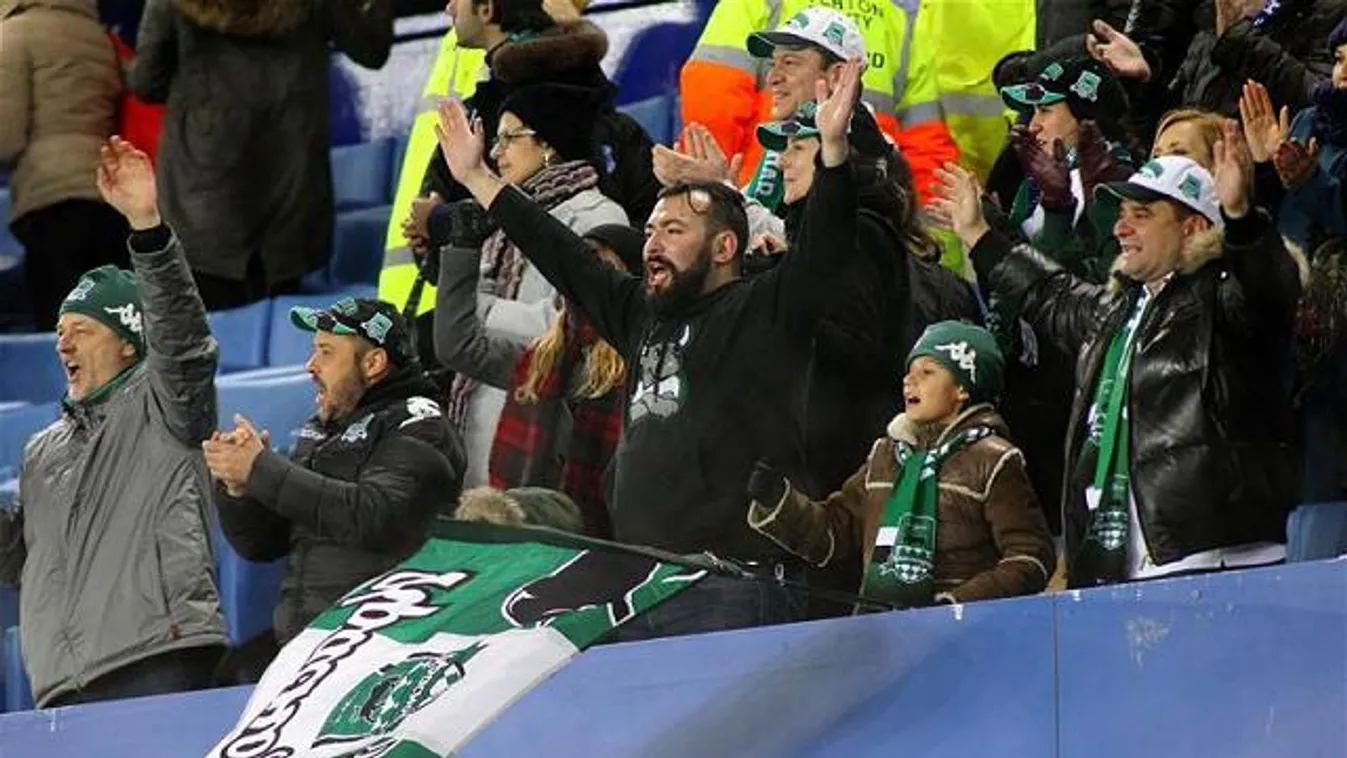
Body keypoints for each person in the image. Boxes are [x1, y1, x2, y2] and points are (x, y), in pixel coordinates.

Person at [432, 60, 876, 639]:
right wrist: (477, 179)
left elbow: (826, 251)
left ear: (724, 248)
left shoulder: (765, 308)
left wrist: (834, 154)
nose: (651, 246)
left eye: (673, 231)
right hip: (643, 581)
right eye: (649, 232)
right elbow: (562, 252)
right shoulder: (639, 314)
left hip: (737, 585)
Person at [932, 128, 1302, 587]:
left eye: (1141, 215)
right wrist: (978, 235)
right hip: (1128, 561)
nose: (1121, 228)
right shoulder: (1121, 310)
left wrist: (1241, 219)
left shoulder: (1225, 298)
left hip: (1218, 554)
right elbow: (1050, 294)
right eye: (1122, 215)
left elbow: (1269, 287)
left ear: (1193, 227)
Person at [0, 138, 226, 707]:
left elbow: (183, 341)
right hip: (58, 687)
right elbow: (19, 560)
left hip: (156, 660)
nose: (62, 342)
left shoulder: (166, 403)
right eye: (59, 331)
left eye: (82, 329)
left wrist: (147, 228)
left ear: (129, 341)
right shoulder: (41, 449)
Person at [207, 297, 465, 646]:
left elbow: (375, 515)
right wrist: (242, 489)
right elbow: (263, 545)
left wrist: (263, 469)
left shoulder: (419, 422)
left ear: (373, 363)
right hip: (308, 637)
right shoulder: (323, 428)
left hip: (380, 638)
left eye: (326, 352)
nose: (310, 366)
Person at [745, 321, 1055, 608]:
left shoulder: (995, 460)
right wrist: (778, 500)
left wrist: (956, 604)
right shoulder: (885, 456)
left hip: (965, 636)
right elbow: (831, 535)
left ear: (963, 388)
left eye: (927, 371)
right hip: (884, 635)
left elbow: (1031, 557)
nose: (909, 379)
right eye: (909, 371)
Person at [412, 83, 628, 490]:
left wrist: (477, 306)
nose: (496, 152)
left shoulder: (598, 215)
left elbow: (569, 326)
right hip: (481, 404)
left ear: (549, 144)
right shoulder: (502, 214)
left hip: (539, 425)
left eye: (510, 137)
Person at [129, 0, 393, 310]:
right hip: (290, 195)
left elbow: (146, 83)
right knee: (283, 322)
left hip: (200, 198)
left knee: (206, 327)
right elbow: (371, 49)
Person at [435, 220, 642, 537]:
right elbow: (457, 345)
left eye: (601, 268)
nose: (584, 278)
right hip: (527, 538)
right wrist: (463, 249)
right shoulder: (538, 361)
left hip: (610, 544)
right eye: (577, 267)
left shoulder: (645, 366)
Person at [679, 4, 958, 206]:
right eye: (772, 63)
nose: (773, 77)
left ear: (837, 75)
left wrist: (709, 193)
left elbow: (712, 98)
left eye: (790, 62)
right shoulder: (784, 145)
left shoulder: (860, 168)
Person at [0, 0, 127, 330]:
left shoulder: (15, 33)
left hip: (49, 198)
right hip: (108, 196)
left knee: (64, 330)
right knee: (107, 331)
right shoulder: (98, 37)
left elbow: (6, 137)